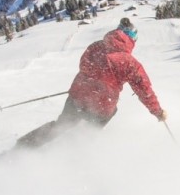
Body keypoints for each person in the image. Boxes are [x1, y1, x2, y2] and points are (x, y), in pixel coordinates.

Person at [15, 17, 168, 148]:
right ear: (132, 40)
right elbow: (144, 90)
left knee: (60, 126)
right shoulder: (129, 62)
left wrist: (92, 83)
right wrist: (158, 112)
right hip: (102, 106)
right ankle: (75, 155)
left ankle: (24, 147)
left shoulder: (96, 46)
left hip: (77, 97)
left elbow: (83, 65)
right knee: (89, 132)